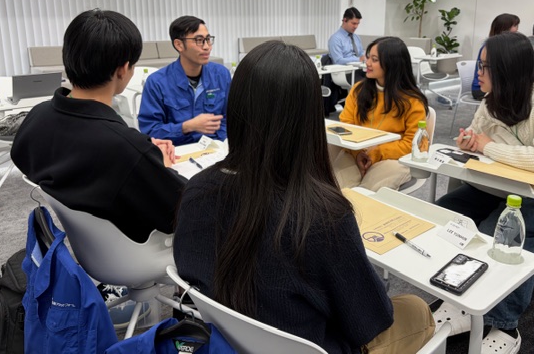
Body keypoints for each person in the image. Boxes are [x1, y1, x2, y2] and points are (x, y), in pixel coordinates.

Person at [173, 41, 434, 354]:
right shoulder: (322, 216)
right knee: (417, 310)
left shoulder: (196, 190)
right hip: (309, 344)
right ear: (310, 117)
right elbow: (370, 320)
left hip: (224, 339)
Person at [436, 32, 534, 353]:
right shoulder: (491, 100)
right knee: (445, 215)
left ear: (506, 69)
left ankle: (505, 325)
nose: (478, 73)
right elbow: (476, 137)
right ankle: (459, 296)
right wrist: (469, 141)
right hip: (503, 188)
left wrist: (488, 146)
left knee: (500, 236)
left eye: (484, 67)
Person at [11, 9, 187, 243]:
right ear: (123, 69)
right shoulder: (125, 150)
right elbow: (189, 209)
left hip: (90, 247)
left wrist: (143, 153)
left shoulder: (38, 115)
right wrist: (155, 161)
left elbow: (23, 156)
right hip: (136, 252)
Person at [332, 36, 429, 191]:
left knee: (367, 193)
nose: (367, 63)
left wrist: (376, 153)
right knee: (337, 189)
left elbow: (413, 144)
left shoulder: (412, 100)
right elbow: (346, 127)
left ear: (392, 64)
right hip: (356, 153)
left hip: (393, 158)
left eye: (374, 59)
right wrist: (357, 153)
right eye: (368, 57)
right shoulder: (358, 91)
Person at [138, 15, 231, 146]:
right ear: (179, 45)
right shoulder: (157, 82)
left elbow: (230, 117)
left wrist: (222, 143)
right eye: (199, 40)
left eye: (208, 39)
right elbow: (150, 130)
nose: (207, 47)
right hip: (178, 149)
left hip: (216, 147)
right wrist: (186, 127)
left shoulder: (221, 75)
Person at [471, 13, 520, 100]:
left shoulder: (502, 46)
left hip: (494, 86)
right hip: (482, 89)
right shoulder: (490, 48)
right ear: (504, 28)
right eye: (515, 25)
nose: (517, 29)